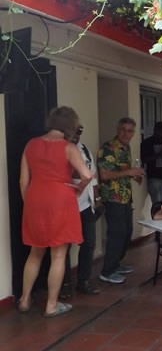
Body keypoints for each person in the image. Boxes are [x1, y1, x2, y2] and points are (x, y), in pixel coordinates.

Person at [18, 106, 93, 317]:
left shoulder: (31, 145)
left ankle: (24, 299)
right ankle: (51, 305)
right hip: (60, 199)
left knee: (35, 252)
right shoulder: (68, 147)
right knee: (58, 254)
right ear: (70, 126)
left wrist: (30, 205)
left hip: (35, 198)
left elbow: (23, 181)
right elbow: (87, 174)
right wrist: (78, 189)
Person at [97, 117, 145, 284]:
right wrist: (129, 172)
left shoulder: (126, 148)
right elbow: (104, 175)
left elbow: (123, 172)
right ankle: (107, 271)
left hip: (125, 197)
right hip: (112, 198)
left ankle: (116, 264)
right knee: (116, 234)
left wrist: (135, 176)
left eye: (130, 130)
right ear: (117, 130)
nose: (126, 133)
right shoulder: (108, 148)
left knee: (127, 232)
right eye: (123, 129)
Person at [61, 125, 102, 298]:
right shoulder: (60, 151)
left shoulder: (84, 150)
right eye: (74, 131)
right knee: (64, 247)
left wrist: (97, 200)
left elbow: (92, 177)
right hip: (66, 206)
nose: (77, 135)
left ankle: (84, 281)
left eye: (79, 132)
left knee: (89, 243)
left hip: (85, 205)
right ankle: (64, 284)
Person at [141, 121, 162, 204]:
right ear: (156, 130)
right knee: (158, 205)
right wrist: (161, 154)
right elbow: (144, 159)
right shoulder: (147, 143)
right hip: (154, 178)